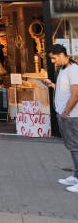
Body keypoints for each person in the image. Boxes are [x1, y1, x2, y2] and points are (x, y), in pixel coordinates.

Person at [45, 44, 78, 192]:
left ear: (61, 54)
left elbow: (75, 94)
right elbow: (65, 91)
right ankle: (76, 176)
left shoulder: (74, 70)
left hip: (71, 116)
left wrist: (66, 111)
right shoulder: (64, 70)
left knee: (75, 147)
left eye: (53, 58)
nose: (53, 61)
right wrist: (52, 85)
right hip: (66, 115)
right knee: (72, 147)